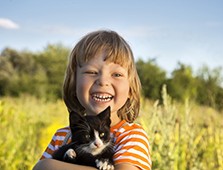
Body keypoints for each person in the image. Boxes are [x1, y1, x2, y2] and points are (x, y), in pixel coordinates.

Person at [33, 30, 152, 170]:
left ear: (131, 89)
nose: (103, 81)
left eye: (117, 74)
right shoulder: (62, 136)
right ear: (73, 84)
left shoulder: (131, 136)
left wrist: (47, 165)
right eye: (91, 72)